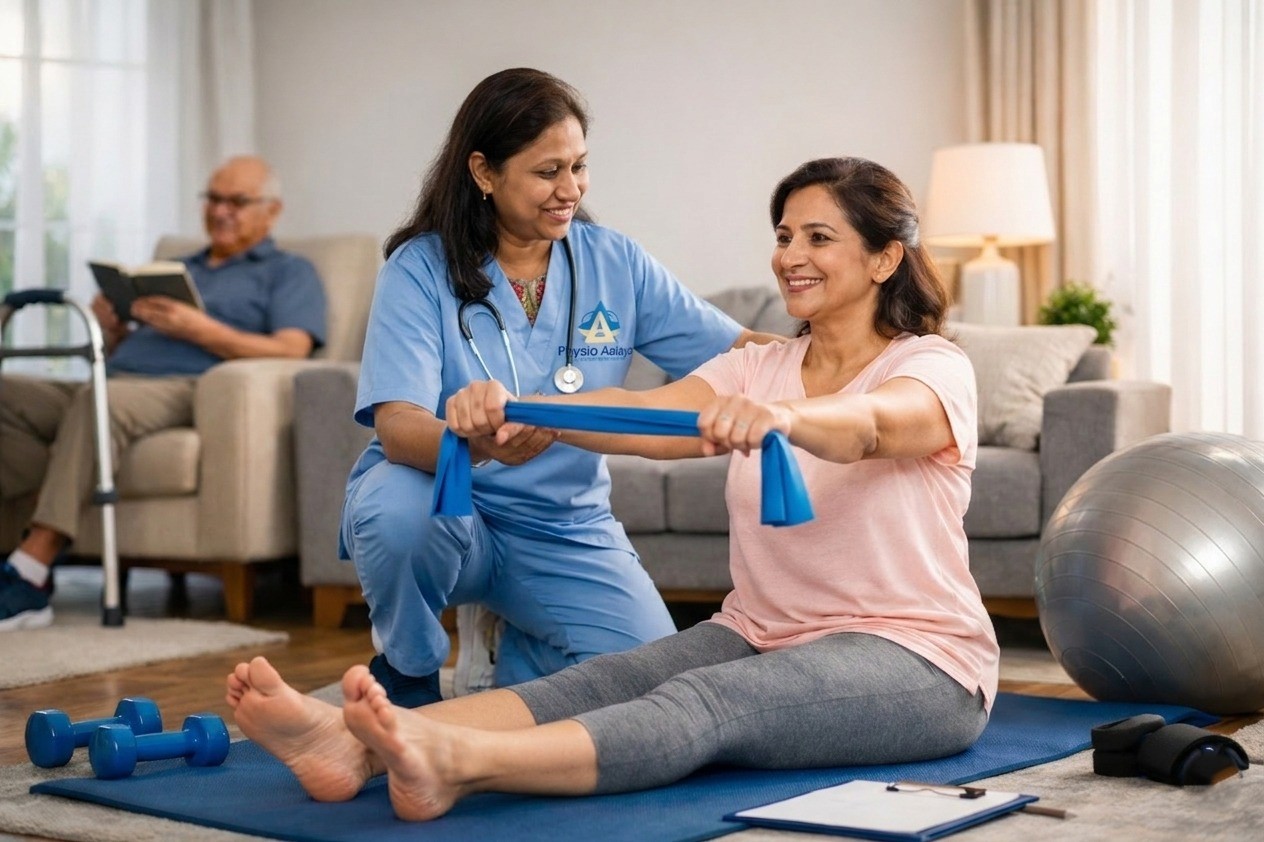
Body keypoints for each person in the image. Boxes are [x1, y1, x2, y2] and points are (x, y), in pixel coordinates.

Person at [226, 156, 999, 819]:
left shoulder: (928, 366)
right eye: (784, 235)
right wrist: (512, 405)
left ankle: (454, 760)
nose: (791, 255)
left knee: (707, 705)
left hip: (916, 658)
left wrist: (782, 419)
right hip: (761, 628)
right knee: (605, 681)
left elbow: (870, 425)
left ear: (885, 259)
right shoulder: (758, 366)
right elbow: (638, 415)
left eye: (819, 238)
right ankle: (353, 746)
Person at [338, 68, 778, 707]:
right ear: (484, 172)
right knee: (395, 514)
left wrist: (854, 355)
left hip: (561, 523)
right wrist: (479, 447)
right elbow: (397, 423)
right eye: (548, 172)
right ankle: (407, 668)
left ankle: (511, 646)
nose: (569, 189)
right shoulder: (420, 268)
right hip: (443, 499)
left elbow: (737, 350)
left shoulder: (613, 261)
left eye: (579, 167)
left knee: (650, 685)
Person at [0, 155, 327, 630]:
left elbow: (292, 349)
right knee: (7, 392)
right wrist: (113, 329)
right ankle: (41, 516)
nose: (220, 211)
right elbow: (134, 346)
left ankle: (30, 574)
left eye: (237, 201)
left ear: (271, 211)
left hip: (185, 388)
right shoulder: (175, 266)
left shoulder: (288, 272)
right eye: (213, 198)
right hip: (113, 375)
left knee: (100, 408)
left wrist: (201, 329)